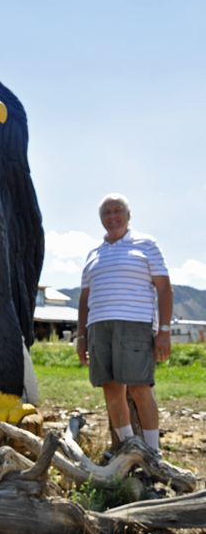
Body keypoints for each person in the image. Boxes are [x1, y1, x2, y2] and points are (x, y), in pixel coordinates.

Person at [76, 193, 173, 452]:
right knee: (111, 389)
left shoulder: (147, 244)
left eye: (117, 211)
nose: (112, 216)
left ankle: (153, 454)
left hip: (135, 323)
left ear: (128, 216)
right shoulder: (93, 253)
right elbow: (84, 297)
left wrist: (164, 331)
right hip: (98, 326)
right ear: (101, 220)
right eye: (106, 213)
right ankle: (129, 449)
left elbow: (164, 289)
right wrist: (81, 336)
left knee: (140, 389)